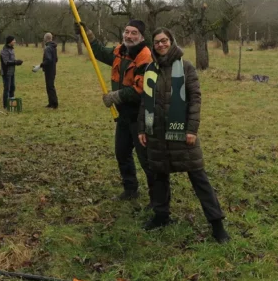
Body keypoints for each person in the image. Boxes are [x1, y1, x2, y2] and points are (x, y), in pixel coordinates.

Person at [137, 27, 230, 242]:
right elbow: (145, 101)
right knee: (159, 176)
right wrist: (142, 128)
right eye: (157, 42)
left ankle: (217, 224)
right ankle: (161, 216)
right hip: (156, 133)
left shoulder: (186, 67)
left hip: (181, 133)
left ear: (171, 41)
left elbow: (195, 99)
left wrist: (191, 129)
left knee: (199, 177)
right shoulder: (150, 69)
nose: (161, 44)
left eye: (164, 40)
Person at [80, 19, 155, 203]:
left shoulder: (146, 57)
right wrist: (87, 35)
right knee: (122, 153)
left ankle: (158, 199)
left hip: (141, 117)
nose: (129, 36)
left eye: (134, 33)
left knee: (147, 160)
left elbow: (141, 90)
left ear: (141, 37)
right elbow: (99, 52)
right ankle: (130, 190)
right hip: (123, 115)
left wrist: (115, 96)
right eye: (127, 32)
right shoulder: (120, 51)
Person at [33, 32, 58, 108]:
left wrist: (40, 66)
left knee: (50, 87)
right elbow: (56, 59)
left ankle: (54, 103)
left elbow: (48, 60)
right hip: (53, 69)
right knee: (50, 86)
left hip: (49, 70)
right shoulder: (54, 47)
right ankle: (51, 103)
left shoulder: (47, 48)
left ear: (45, 39)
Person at [0, 36, 23, 109]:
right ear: (10, 41)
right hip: (6, 72)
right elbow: (6, 62)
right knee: (7, 89)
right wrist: (16, 62)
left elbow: (12, 60)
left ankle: (12, 104)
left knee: (12, 87)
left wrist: (17, 62)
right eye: (13, 40)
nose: (15, 41)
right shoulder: (4, 50)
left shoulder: (11, 49)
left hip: (12, 72)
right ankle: (6, 105)